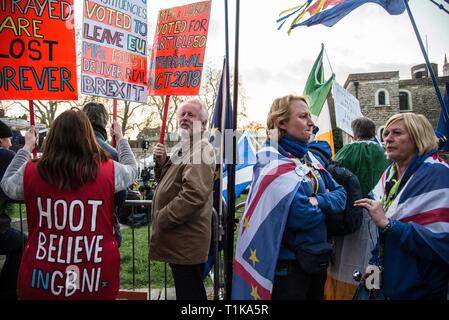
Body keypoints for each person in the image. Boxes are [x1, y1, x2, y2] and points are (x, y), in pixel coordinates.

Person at [0, 110, 138, 300]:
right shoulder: (110, 170)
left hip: (43, 275)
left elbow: (7, 185)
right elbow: (132, 170)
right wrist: (121, 138)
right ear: (88, 136)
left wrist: (26, 148)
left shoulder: (31, 170)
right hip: (94, 274)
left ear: (53, 137)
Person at [232, 94, 346, 300]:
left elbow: (342, 194)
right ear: (282, 123)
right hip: (288, 270)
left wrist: (317, 200)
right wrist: (328, 202)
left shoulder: (310, 158)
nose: (311, 123)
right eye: (303, 117)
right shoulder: (271, 161)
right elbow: (301, 216)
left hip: (317, 261)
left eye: (309, 116)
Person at [354, 113, 449, 299]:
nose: (388, 138)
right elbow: (384, 235)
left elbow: (441, 243)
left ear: (418, 136)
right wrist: (374, 264)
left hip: (421, 288)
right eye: (386, 133)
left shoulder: (438, 175)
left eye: (397, 133)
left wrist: (388, 224)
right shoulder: (389, 173)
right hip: (389, 283)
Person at [150, 98, 215, 300]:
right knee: (188, 291)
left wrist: (162, 218)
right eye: (182, 114)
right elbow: (169, 182)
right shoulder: (186, 146)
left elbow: (193, 194)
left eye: (191, 115)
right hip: (181, 238)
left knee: (191, 294)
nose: (185, 118)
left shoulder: (201, 149)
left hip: (187, 239)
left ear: (203, 124)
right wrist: (162, 163)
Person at [325, 117, 388, 300]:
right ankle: (371, 292)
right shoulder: (382, 152)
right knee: (372, 255)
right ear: (374, 132)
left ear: (354, 133)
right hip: (376, 214)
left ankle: (342, 295)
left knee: (345, 257)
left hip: (350, 214)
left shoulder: (347, 150)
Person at [83, 102, 126, 245]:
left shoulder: (67, 150)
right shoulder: (113, 154)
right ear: (105, 122)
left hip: (70, 224)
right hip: (104, 225)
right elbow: (120, 197)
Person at [0, 120, 26, 300]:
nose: (10, 143)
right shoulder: (5, 155)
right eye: (8, 139)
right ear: (1, 140)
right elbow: (12, 188)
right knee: (22, 243)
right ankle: (6, 292)